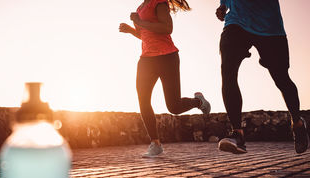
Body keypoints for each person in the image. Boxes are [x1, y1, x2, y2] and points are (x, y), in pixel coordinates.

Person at [119, 0, 211, 158]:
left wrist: (140, 21)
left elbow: (167, 28)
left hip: (167, 58)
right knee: (143, 100)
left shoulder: (158, 2)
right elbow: (145, 34)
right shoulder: (140, 7)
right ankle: (155, 144)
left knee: (174, 107)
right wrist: (131, 30)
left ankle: (198, 102)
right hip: (146, 59)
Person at [216, 0, 309, 154]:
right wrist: (223, 5)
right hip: (235, 22)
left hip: (269, 27)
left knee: (281, 79)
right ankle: (237, 134)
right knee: (228, 72)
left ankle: (298, 123)